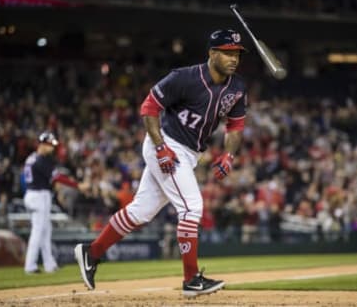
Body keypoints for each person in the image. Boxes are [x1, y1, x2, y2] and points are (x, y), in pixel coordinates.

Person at [74, 29, 248, 297]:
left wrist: (229, 155)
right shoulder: (184, 77)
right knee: (192, 207)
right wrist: (160, 147)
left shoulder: (237, 87)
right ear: (212, 53)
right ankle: (191, 280)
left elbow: (235, 127)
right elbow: (149, 107)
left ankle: (92, 252)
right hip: (167, 144)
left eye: (236, 53)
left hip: (191, 153)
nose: (233, 58)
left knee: (141, 211)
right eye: (227, 52)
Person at [24, 131, 84, 274]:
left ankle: (49, 264)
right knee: (38, 231)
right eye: (50, 145)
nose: (52, 148)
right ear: (42, 144)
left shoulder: (31, 158)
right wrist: (77, 185)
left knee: (45, 230)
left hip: (32, 193)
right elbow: (57, 177)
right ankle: (30, 266)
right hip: (39, 195)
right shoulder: (41, 159)